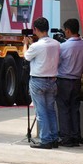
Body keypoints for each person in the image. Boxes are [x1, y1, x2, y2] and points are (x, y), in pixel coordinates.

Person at [23, 16, 61, 149]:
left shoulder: (35, 46)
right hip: (52, 80)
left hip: (38, 81)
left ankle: (45, 140)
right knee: (51, 110)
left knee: (41, 111)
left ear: (36, 29)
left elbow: (26, 56)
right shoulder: (56, 44)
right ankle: (54, 138)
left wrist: (25, 44)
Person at [56, 18, 83, 147]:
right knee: (75, 109)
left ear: (67, 31)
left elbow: (57, 63)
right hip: (77, 81)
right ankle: (76, 135)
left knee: (63, 110)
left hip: (63, 81)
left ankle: (66, 137)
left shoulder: (63, 46)